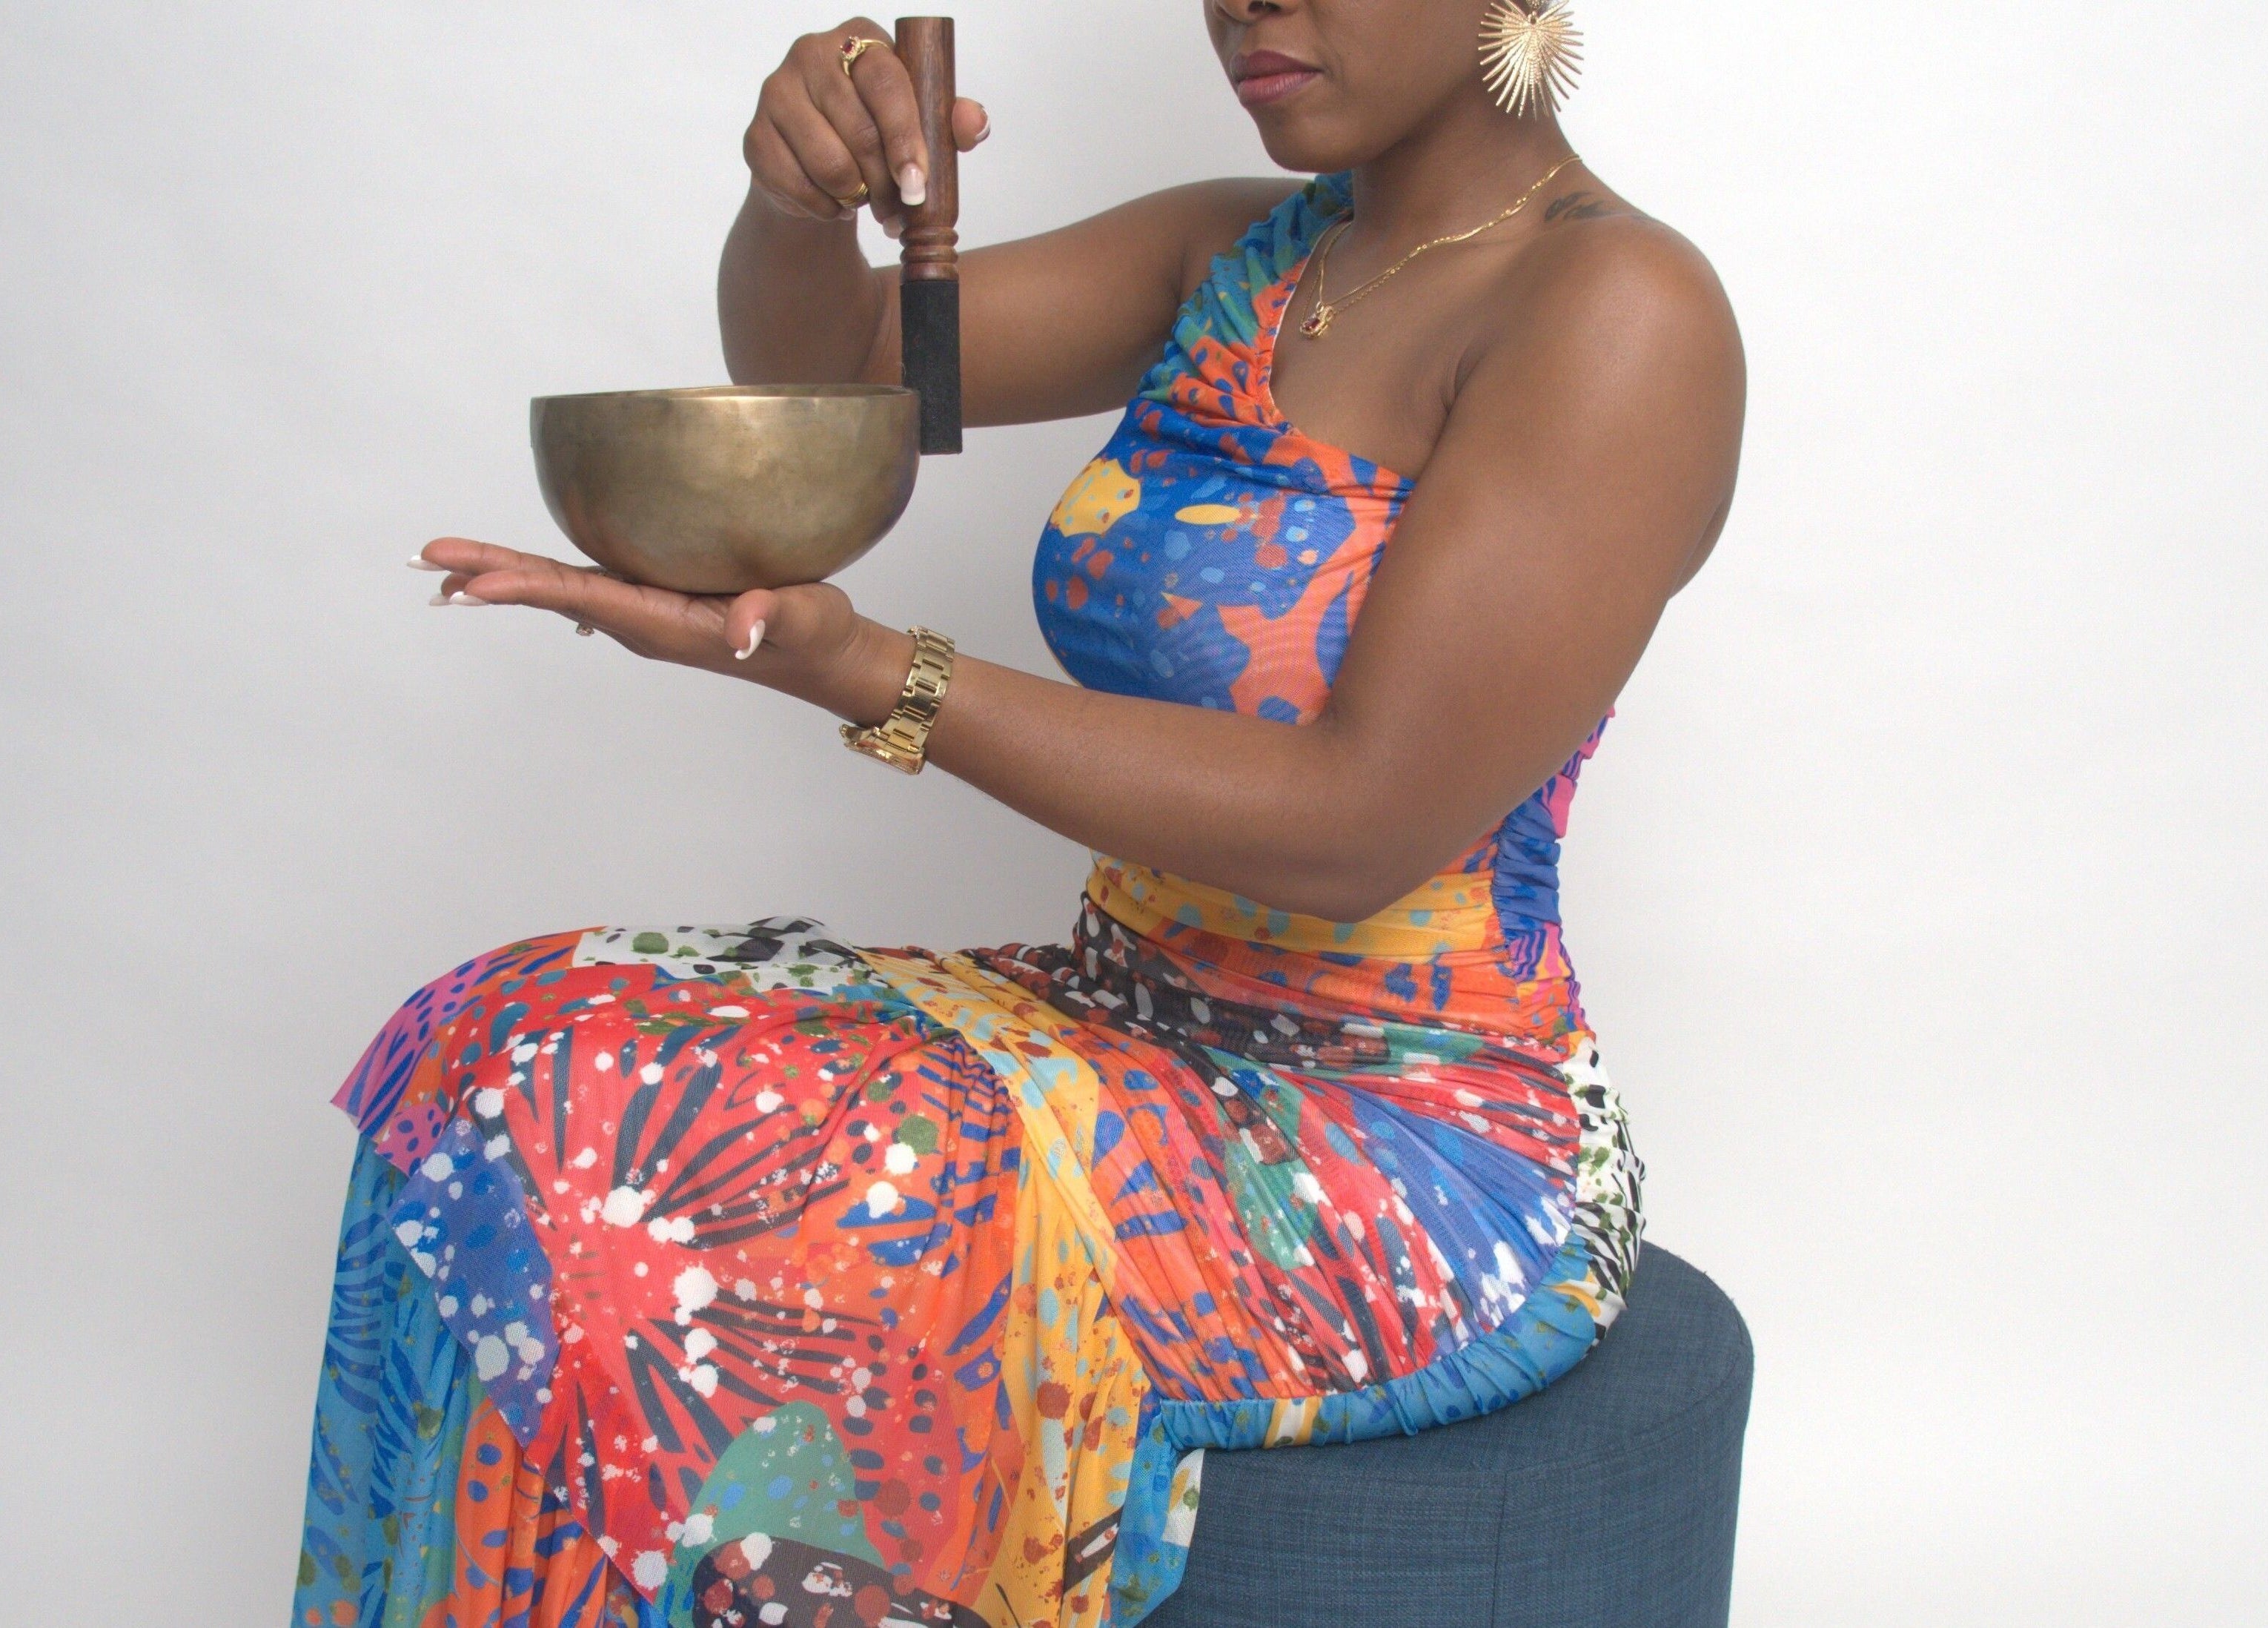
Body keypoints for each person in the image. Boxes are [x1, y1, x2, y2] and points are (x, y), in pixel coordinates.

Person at [294, 4, 1745, 1625]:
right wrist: (797, 199)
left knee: (648, 1134)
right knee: (507, 1040)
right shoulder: (1243, 258)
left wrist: (870, 673)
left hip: (1401, 1136)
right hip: (1123, 1015)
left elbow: (1360, 825)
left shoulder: (1619, 310)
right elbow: (842, 376)